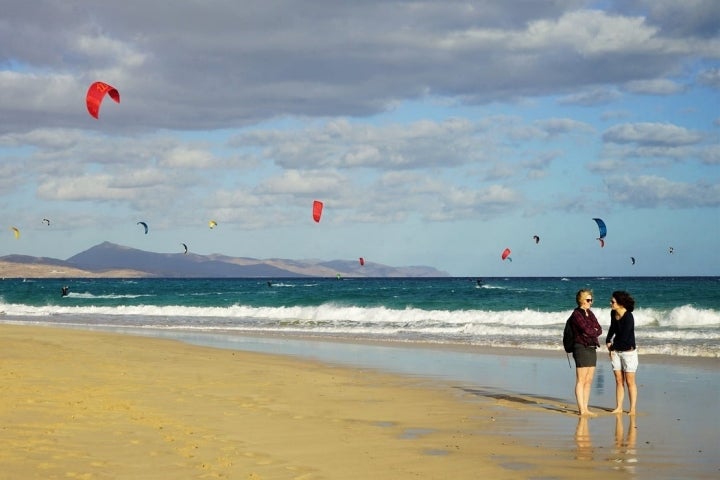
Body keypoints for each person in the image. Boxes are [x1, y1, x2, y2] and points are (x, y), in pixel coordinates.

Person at [568, 289, 602, 416]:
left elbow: (599, 329)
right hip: (580, 347)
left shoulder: (590, 313)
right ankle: (581, 409)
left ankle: (586, 408)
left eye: (591, 300)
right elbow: (586, 329)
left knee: (589, 379)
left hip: (592, 347)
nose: (590, 302)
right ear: (581, 301)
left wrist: (592, 330)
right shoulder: (576, 314)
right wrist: (591, 330)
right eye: (588, 300)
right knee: (581, 380)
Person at [606, 290, 638, 415]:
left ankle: (632, 409)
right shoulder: (613, 313)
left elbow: (624, 338)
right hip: (616, 351)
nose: (610, 303)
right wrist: (608, 340)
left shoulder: (629, 316)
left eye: (613, 301)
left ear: (620, 303)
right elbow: (612, 328)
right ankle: (619, 407)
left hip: (628, 352)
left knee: (630, 381)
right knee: (619, 381)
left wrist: (612, 347)